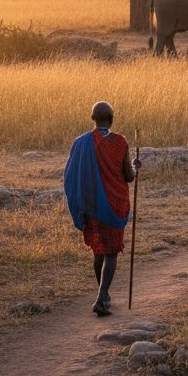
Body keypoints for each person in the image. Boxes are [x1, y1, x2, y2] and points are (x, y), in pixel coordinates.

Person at [62, 101, 136, 317]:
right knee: (111, 251)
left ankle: (102, 294)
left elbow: (70, 175)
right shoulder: (120, 142)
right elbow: (128, 176)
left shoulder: (81, 143)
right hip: (113, 204)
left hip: (92, 205)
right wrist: (135, 167)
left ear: (93, 119)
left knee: (98, 250)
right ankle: (102, 297)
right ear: (111, 119)